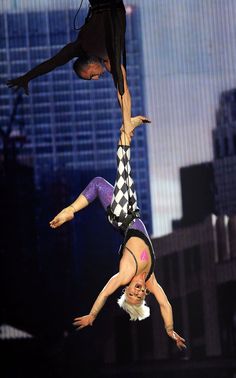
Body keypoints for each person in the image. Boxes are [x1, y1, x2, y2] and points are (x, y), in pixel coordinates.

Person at [49, 116, 186, 350]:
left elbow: (104, 293)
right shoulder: (151, 279)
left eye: (133, 293)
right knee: (100, 183)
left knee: (122, 167)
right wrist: (169, 329)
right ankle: (127, 131)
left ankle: (127, 130)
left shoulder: (124, 274)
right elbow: (165, 304)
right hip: (132, 212)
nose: (139, 290)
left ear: (127, 289)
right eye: (141, 295)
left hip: (122, 216)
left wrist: (92, 315)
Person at [6, 0, 132, 130]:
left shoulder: (106, 57)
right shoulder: (80, 47)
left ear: (90, 65)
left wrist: (127, 120)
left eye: (91, 76)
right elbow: (52, 63)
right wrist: (27, 77)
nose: (96, 78)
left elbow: (122, 90)